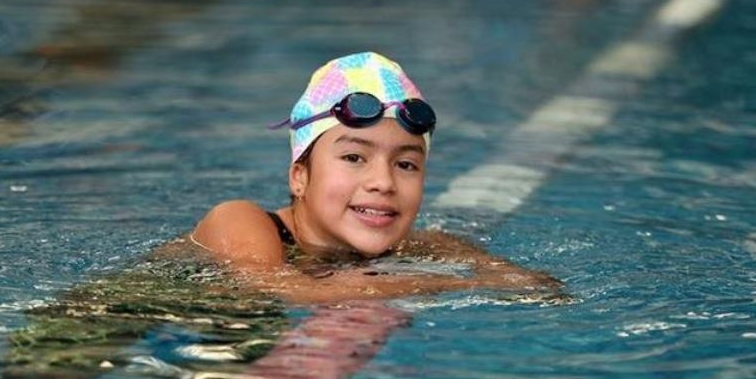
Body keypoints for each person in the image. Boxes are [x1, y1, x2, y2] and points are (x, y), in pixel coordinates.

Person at [191, 51, 559, 303]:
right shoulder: (239, 220)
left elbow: (538, 287)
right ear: (299, 177)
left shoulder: (427, 246)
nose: (383, 182)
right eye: (354, 157)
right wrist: (456, 282)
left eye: (406, 165)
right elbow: (273, 288)